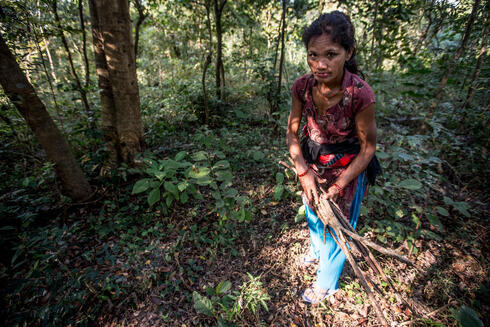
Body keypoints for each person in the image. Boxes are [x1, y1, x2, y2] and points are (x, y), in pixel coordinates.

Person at [286, 11, 381, 304]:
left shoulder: (360, 94)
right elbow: (292, 132)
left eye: (331, 54)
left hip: (348, 169)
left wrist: (339, 185)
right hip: (313, 162)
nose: (320, 64)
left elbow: (368, 148)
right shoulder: (303, 87)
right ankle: (317, 253)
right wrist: (303, 171)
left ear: (348, 52)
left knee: (338, 227)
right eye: (313, 55)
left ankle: (326, 283)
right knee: (314, 211)